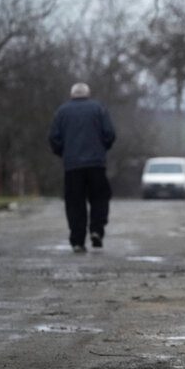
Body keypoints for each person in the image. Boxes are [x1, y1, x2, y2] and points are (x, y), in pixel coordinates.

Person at [48, 82, 116, 253]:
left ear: (72, 95)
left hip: (72, 166)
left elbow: (54, 138)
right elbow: (110, 134)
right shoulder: (99, 109)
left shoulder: (62, 111)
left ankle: (77, 240)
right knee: (100, 198)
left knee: (74, 203)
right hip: (96, 164)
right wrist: (101, 149)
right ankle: (96, 230)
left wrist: (64, 153)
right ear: (88, 94)